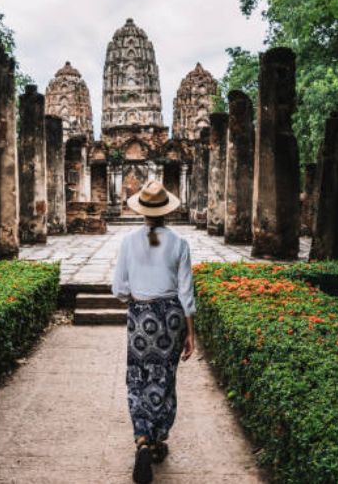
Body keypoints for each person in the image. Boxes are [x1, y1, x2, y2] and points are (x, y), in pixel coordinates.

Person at [111, 180, 196, 484]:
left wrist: (136, 300)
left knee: (138, 376)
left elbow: (118, 288)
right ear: (166, 212)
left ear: (143, 211)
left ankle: (142, 439)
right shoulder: (180, 243)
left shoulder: (128, 242)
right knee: (164, 377)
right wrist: (190, 333)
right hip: (172, 316)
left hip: (140, 315)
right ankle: (159, 439)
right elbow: (187, 293)